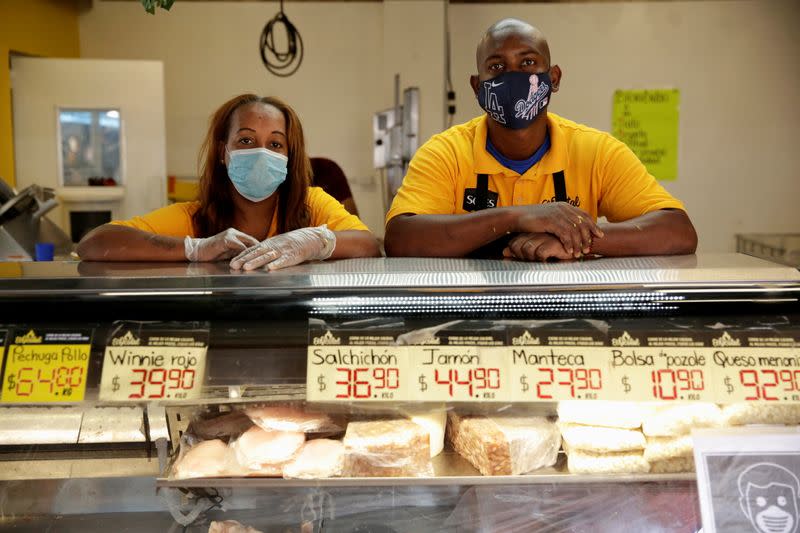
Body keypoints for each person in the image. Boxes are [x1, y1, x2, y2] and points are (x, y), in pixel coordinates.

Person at [384, 18, 697, 261]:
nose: (514, 76)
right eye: (497, 67)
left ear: (554, 78)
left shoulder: (594, 151)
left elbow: (678, 231)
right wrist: (517, 218)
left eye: (528, 63)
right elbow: (401, 238)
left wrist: (574, 240)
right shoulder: (446, 153)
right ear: (477, 87)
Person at [77, 94, 380, 270]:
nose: (261, 153)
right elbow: (94, 244)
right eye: (246, 140)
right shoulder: (193, 218)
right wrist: (194, 248)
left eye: (275, 144)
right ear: (224, 153)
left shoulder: (312, 204)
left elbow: (369, 246)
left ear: (290, 155)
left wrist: (315, 242)